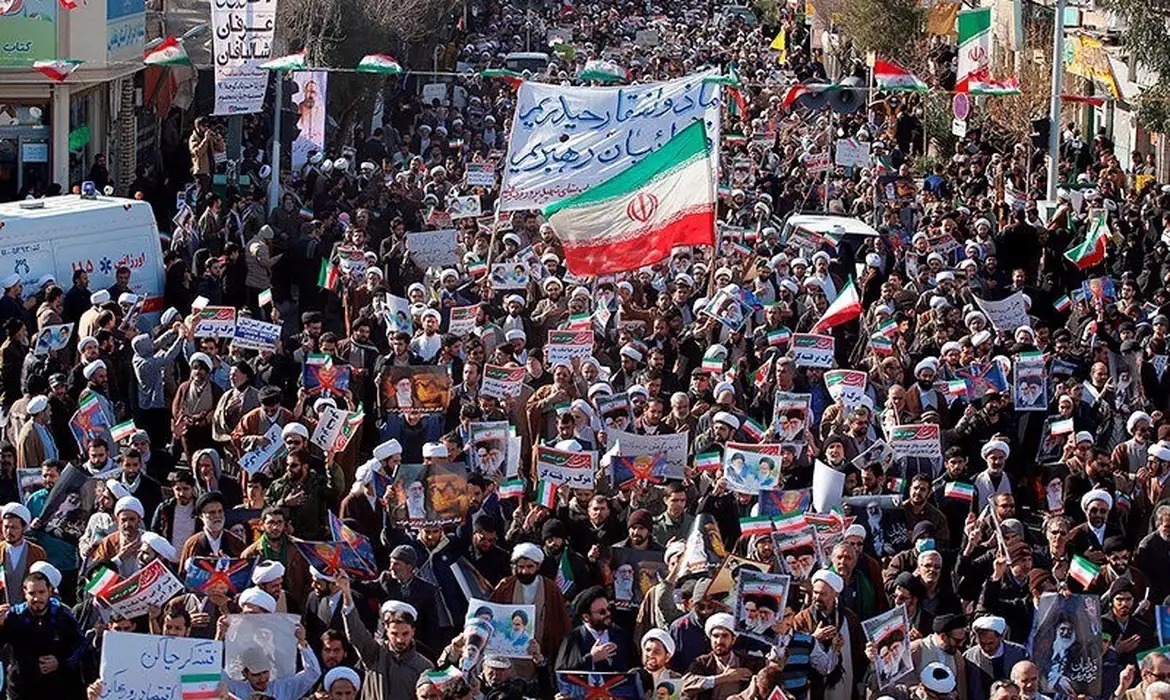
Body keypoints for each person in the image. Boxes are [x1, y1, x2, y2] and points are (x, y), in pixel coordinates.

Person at [338, 574, 433, 700]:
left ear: (413, 632)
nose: (400, 640)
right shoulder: (376, 653)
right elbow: (356, 633)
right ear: (386, 631)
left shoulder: (424, 667)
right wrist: (346, 593)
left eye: (405, 634)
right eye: (394, 634)